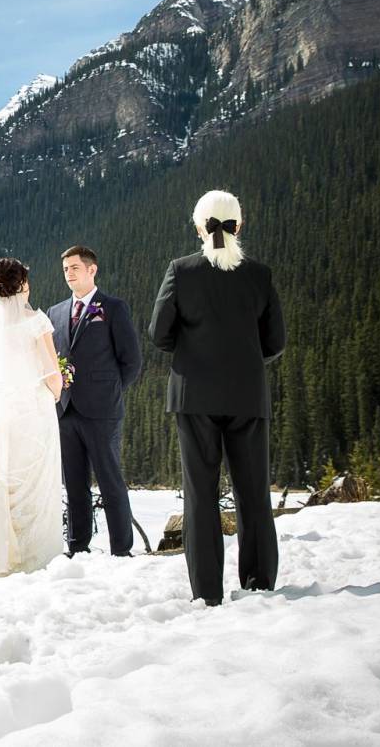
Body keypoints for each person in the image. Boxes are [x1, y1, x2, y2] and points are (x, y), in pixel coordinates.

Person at [148, 189, 286, 606]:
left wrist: (194, 352)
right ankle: (259, 584)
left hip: (194, 398)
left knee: (201, 495)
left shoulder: (181, 271)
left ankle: (207, 593)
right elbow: (275, 341)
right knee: (254, 493)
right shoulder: (259, 275)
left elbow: (159, 334)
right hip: (247, 396)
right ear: (238, 225)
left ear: (198, 228)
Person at [0, 257, 65, 575]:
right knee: (37, 480)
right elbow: (51, 370)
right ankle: (37, 557)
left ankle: (4, 552)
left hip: (4, 414)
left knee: (7, 478)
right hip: (34, 411)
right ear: (22, 285)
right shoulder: (37, 320)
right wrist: (58, 390)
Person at [50, 246, 143, 556]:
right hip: (66, 410)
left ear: (92, 270)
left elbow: (131, 361)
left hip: (103, 410)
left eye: (75, 267)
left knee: (110, 480)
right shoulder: (56, 312)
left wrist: (110, 392)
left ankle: (121, 548)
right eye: (65, 269)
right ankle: (77, 546)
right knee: (74, 484)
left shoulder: (113, 308)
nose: (69, 273)